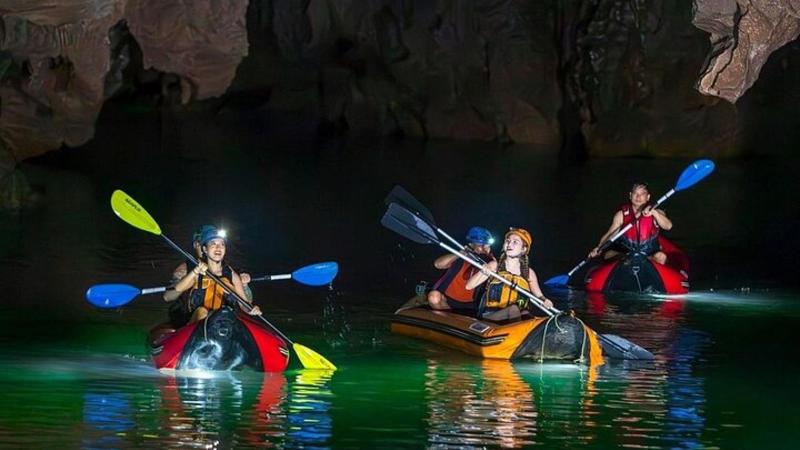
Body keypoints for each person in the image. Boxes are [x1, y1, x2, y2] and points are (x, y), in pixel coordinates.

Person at [171, 226, 261, 324]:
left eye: (222, 244)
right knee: (202, 312)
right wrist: (195, 272)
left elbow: (244, 303)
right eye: (213, 244)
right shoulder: (196, 271)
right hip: (197, 325)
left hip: (224, 322)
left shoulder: (231, 274)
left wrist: (251, 310)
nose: (218, 248)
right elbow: (177, 289)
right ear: (205, 249)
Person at [466, 228, 554, 321]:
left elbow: (539, 296)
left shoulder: (529, 273)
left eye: (515, 242)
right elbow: (469, 286)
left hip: (516, 314)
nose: (509, 244)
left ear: (523, 249)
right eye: (508, 241)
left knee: (526, 313)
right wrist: (483, 271)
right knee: (514, 309)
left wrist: (545, 300)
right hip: (492, 315)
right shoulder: (495, 265)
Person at [588, 182, 673, 265]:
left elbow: (668, 226)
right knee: (608, 254)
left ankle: (647, 266)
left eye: (642, 193)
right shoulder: (621, 215)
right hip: (627, 253)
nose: (638, 196)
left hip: (649, 254)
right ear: (630, 195)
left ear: (648, 197)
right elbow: (610, 233)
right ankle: (626, 264)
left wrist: (654, 212)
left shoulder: (657, 212)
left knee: (661, 257)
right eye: (635, 193)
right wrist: (599, 248)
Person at [427, 226, 496, 312]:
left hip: (470, 305)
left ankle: (453, 317)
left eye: (487, 246)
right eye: (481, 245)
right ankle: (449, 316)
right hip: (447, 300)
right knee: (434, 297)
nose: (485, 249)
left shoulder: (490, 261)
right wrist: (459, 254)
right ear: (471, 244)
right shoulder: (461, 256)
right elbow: (438, 264)